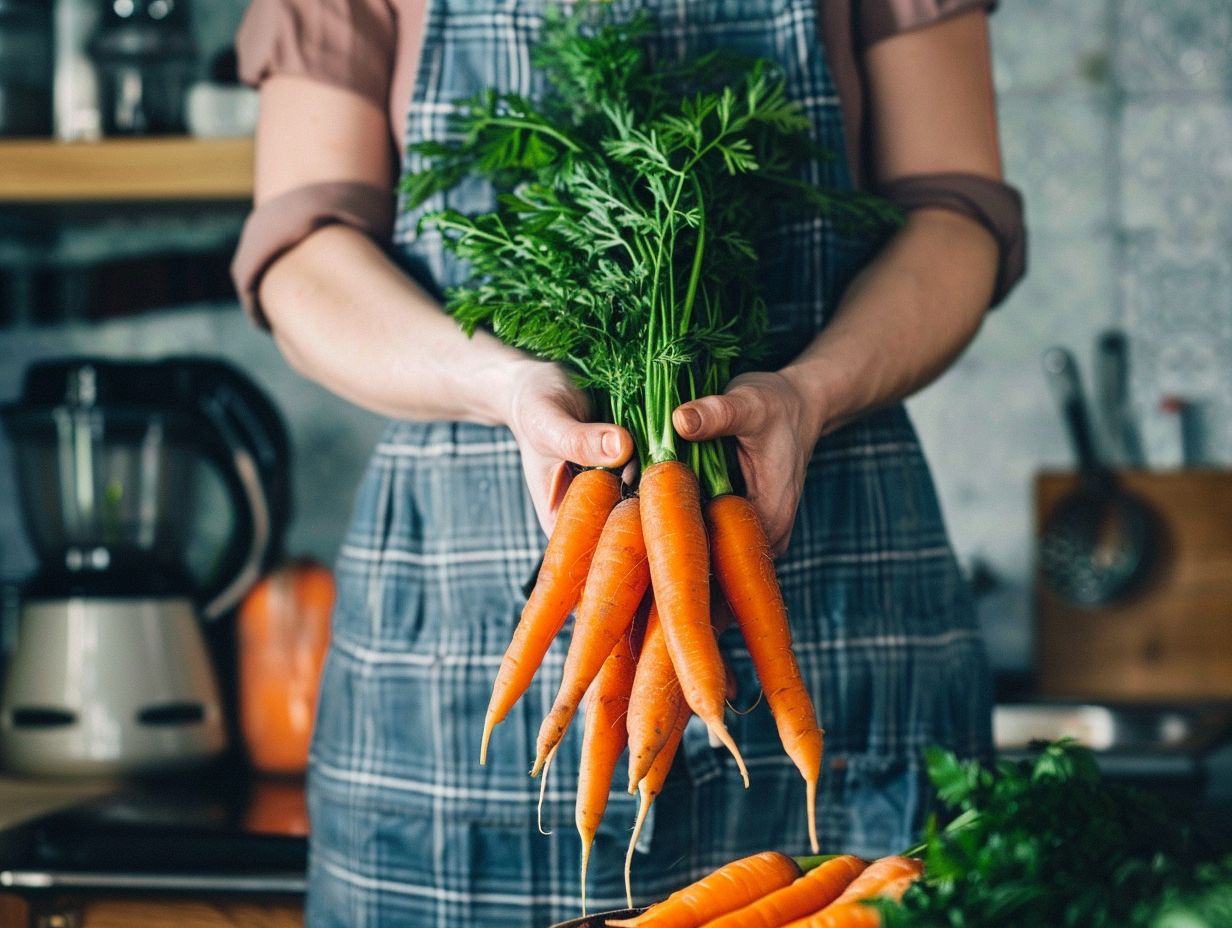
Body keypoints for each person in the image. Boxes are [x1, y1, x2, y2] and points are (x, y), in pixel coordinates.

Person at [232, 1, 1025, 925]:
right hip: (459, 622)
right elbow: (301, 255)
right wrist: (500, 383)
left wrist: (810, 394)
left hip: (845, 599)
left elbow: (955, 217)